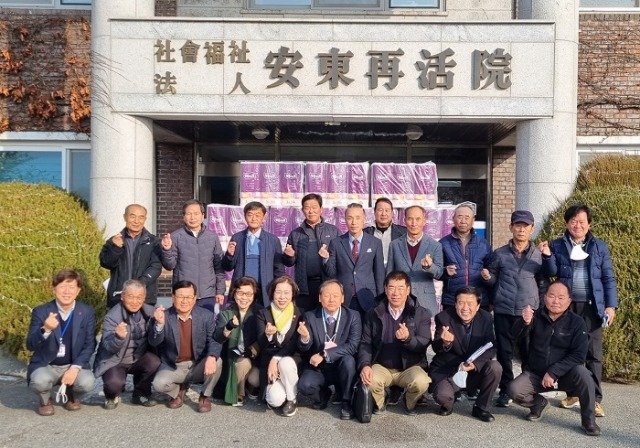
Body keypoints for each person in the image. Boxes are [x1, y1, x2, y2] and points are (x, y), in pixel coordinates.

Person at [539, 204, 617, 418]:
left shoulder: (599, 246)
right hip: (567, 306)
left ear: (589, 224)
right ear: (566, 223)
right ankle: (573, 394)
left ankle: (595, 398)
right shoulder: (557, 244)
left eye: (582, 221)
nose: (578, 225)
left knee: (593, 353)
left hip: (592, 306)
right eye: (573, 221)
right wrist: (547, 256)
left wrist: (610, 305)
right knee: (568, 350)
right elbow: (551, 272)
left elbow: (608, 278)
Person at [508, 281, 601, 436]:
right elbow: (513, 337)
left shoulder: (577, 322)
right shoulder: (535, 317)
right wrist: (524, 322)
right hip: (536, 374)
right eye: (551, 296)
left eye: (561, 297)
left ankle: (588, 421)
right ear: (544, 298)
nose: (556, 301)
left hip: (566, 375)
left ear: (569, 301)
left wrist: (553, 372)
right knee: (514, 390)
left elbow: (579, 355)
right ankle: (538, 403)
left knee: (585, 375)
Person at [482, 210, 545, 407]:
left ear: (532, 229)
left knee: (528, 352)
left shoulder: (539, 255)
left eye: (525, 226)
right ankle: (505, 389)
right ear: (511, 227)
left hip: (528, 312)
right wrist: (488, 278)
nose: (521, 229)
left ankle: (527, 388)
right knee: (504, 353)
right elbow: (493, 280)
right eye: (518, 225)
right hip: (504, 310)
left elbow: (543, 282)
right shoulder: (499, 254)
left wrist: (537, 305)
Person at [358, 271, 432, 415]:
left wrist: (408, 338)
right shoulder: (373, 313)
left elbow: (424, 342)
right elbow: (365, 343)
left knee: (422, 381)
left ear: (408, 290)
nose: (396, 293)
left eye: (400, 288)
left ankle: (409, 401)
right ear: (385, 289)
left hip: (410, 367)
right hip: (382, 366)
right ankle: (381, 400)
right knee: (369, 380)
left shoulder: (421, 313)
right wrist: (364, 365)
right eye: (391, 288)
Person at [26, 269, 96, 416]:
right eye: (62, 286)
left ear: (78, 291)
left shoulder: (86, 312)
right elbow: (30, 345)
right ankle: (45, 400)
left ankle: (71, 395)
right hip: (47, 365)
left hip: (72, 364)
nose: (67, 291)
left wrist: (75, 368)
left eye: (71, 287)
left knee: (87, 382)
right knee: (40, 381)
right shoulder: (41, 311)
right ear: (54, 289)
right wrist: (45, 329)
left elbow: (90, 344)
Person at [430, 286, 501, 422]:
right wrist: (445, 343)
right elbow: (436, 347)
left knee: (495, 367)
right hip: (449, 370)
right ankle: (449, 402)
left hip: (473, 371)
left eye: (470, 304)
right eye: (461, 303)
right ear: (455, 304)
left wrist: (475, 365)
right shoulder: (443, 317)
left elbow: (491, 347)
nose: (465, 308)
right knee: (443, 397)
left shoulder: (486, 318)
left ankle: (481, 408)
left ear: (478, 306)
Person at [149, 280, 222, 413]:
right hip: (174, 366)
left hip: (197, 364)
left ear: (194, 299)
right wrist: (159, 325)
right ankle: (178, 391)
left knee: (217, 361)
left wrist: (211, 356)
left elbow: (214, 340)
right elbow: (154, 342)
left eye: (188, 297)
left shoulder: (206, 316)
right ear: (173, 298)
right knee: (158, 384)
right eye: (180, 296)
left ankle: (205, 396)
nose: (184, 301)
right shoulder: (164, 316)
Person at [297, 279, 362, 420]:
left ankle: (346, 401)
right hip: (319, 368)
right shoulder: (310, 316)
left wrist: (325, 353)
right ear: (320, 298)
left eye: (335, 295)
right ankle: (323, 395)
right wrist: (305, 338)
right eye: (326, 295)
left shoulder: (353, 316)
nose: (331, 299)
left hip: (341, 365)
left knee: (349, 361)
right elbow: (304, 349)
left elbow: (352, 346)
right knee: (304, 385)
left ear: (342, 298)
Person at [93, 279, 161, 409]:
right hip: (115, 360)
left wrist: (160, 324)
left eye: (139, 297)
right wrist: (118, 337)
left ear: (144, 298)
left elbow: (156, 341)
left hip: (138, 358)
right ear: (122, 296)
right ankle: (111, 396)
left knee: (154, 362)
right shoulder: (112, 316)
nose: (135, 301)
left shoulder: (151, 312)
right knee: (113, 384)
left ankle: (140, 394)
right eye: (130, 296)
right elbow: (108, 346)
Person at [160, 199, 226, 313]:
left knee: (206, 323)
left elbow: (218, 267)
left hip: (207, 294)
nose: (192, 217)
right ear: (183, 217)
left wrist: (220, 291)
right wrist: (167, 250)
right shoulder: (175, 237)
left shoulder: (212, 237)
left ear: (203, 216)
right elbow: (170, 266)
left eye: (196, 213)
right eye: (189, 214)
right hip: (183, 294)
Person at [321, 203, 385, 317]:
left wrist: (381, 300)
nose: (354, 222)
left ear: (364, 219)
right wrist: (326, 259)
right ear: (345, 220)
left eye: (357, 218)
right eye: (350, 218)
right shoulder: (336, 243)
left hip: (368, 297)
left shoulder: (375, 242)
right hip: (345, 298)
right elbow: (331, 273)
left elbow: (379, 274)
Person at [283, 193, 339, 313]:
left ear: (321, 209)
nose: (311, 211)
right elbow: (289, 263)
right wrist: (289, 256)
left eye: (314, 207)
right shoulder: (295, 234)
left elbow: (340, 259)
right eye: (307, 207)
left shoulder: (333, 231)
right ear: (303, 210)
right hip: (304, 287)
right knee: (304, 319)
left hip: (327, 284)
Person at [222, 201, 285, 308]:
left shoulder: (273, 240)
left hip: (264, 290)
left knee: (262, 316)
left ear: (264, 218)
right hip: (242, 290)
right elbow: (228, 267)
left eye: (257, 215)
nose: (253, 218)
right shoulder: (237, 238)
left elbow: (279, 269)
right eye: (250, 215)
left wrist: (278, 290)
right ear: (245, 217)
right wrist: (229, 255)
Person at [256, 276, 302, 417]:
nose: (282, 297)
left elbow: (294, 344)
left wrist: (275, 359)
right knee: (274, 400)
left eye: (286, 292)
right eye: (278, 292)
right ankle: (285, 391)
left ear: (292, 294)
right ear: (272, 293)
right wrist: (268, 335)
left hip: (290, 363)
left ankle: (292, 399)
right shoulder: (263, 313)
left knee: (285, 362)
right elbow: (261, 343)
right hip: (269, 364)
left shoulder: (299, 314)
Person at [99, 203, 162, 308]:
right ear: (125, 217)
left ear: (145, 219)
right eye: (132, 216)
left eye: (141, 217)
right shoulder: (114, 240)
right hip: (118, 297)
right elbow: (105, 263)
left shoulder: (153, 242)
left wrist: (138, 285)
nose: (136, 221)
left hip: (144, 298)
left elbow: (156, 267)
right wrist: (116, 248)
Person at [387, 205, 443, 317]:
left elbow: (440, 273)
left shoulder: (435, 245)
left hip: (425, 300)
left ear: (424, 221)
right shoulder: (394, 245)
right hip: (400, 300)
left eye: (418, 219)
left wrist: (429, 266)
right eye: (410, 219)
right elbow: (389, 274)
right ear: (404, 220)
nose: (414, 223)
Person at [214, 277, 261, 407]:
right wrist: (229, 327)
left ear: (254, 295)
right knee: (239, 363)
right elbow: (218, 336)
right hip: (230, 358)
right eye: (240, 293)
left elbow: (262, 339)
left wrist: (251, 351)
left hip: (253, 358)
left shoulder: (259, 313)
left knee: (254, 378)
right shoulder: (226, 313)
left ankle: (249, 387)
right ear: (234, 294)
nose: (244, 297)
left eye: (249, 294)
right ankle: (239, 393)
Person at [439, 203, 492, 310]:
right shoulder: (443, 243)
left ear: (473, 220)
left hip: (478, 300)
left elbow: (493, 271)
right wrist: (445, 272)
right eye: (459, 217)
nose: (463, 221)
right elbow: (437, 272)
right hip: (452, 300)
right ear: (453, 219)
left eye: (467, 217)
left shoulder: (483, 244)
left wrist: (488, 276)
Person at [364, 197, 407, 266]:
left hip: (395, 272)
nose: (383, 214)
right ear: (374, 212)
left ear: (392, 213)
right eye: (380, 210)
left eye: (387, 210)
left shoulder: (403, 233)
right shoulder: (365, 233)